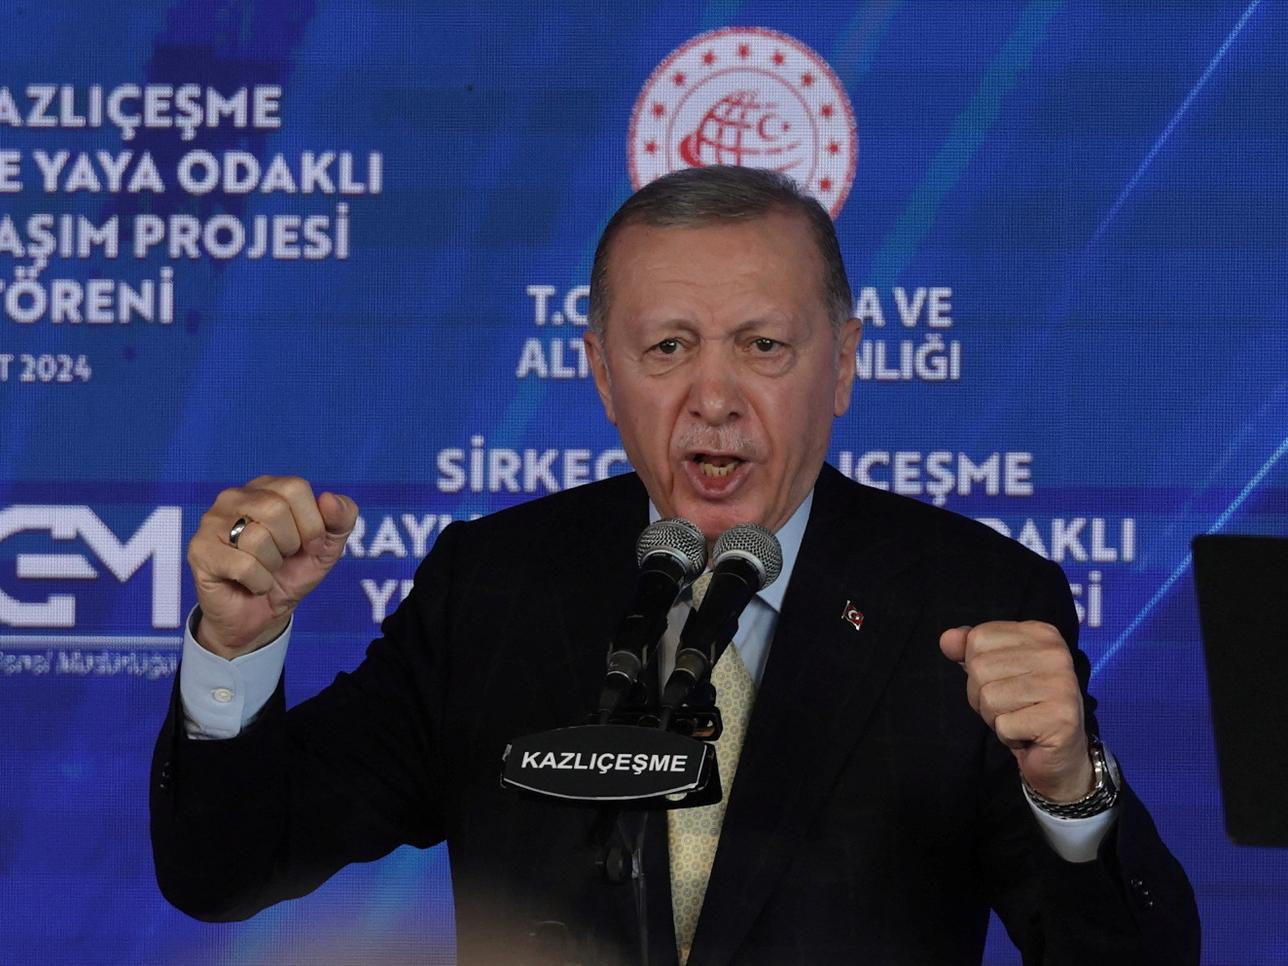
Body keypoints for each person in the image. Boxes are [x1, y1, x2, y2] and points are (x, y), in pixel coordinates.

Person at [152, 165, 1199, 964]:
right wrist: (234, 652)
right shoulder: (494, 588)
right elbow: (225, 869)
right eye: (667, 348)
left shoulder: (972, 600)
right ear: (601, 373)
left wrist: (1069, 791)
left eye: (762, 346)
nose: (714, 398)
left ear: (843, 364)